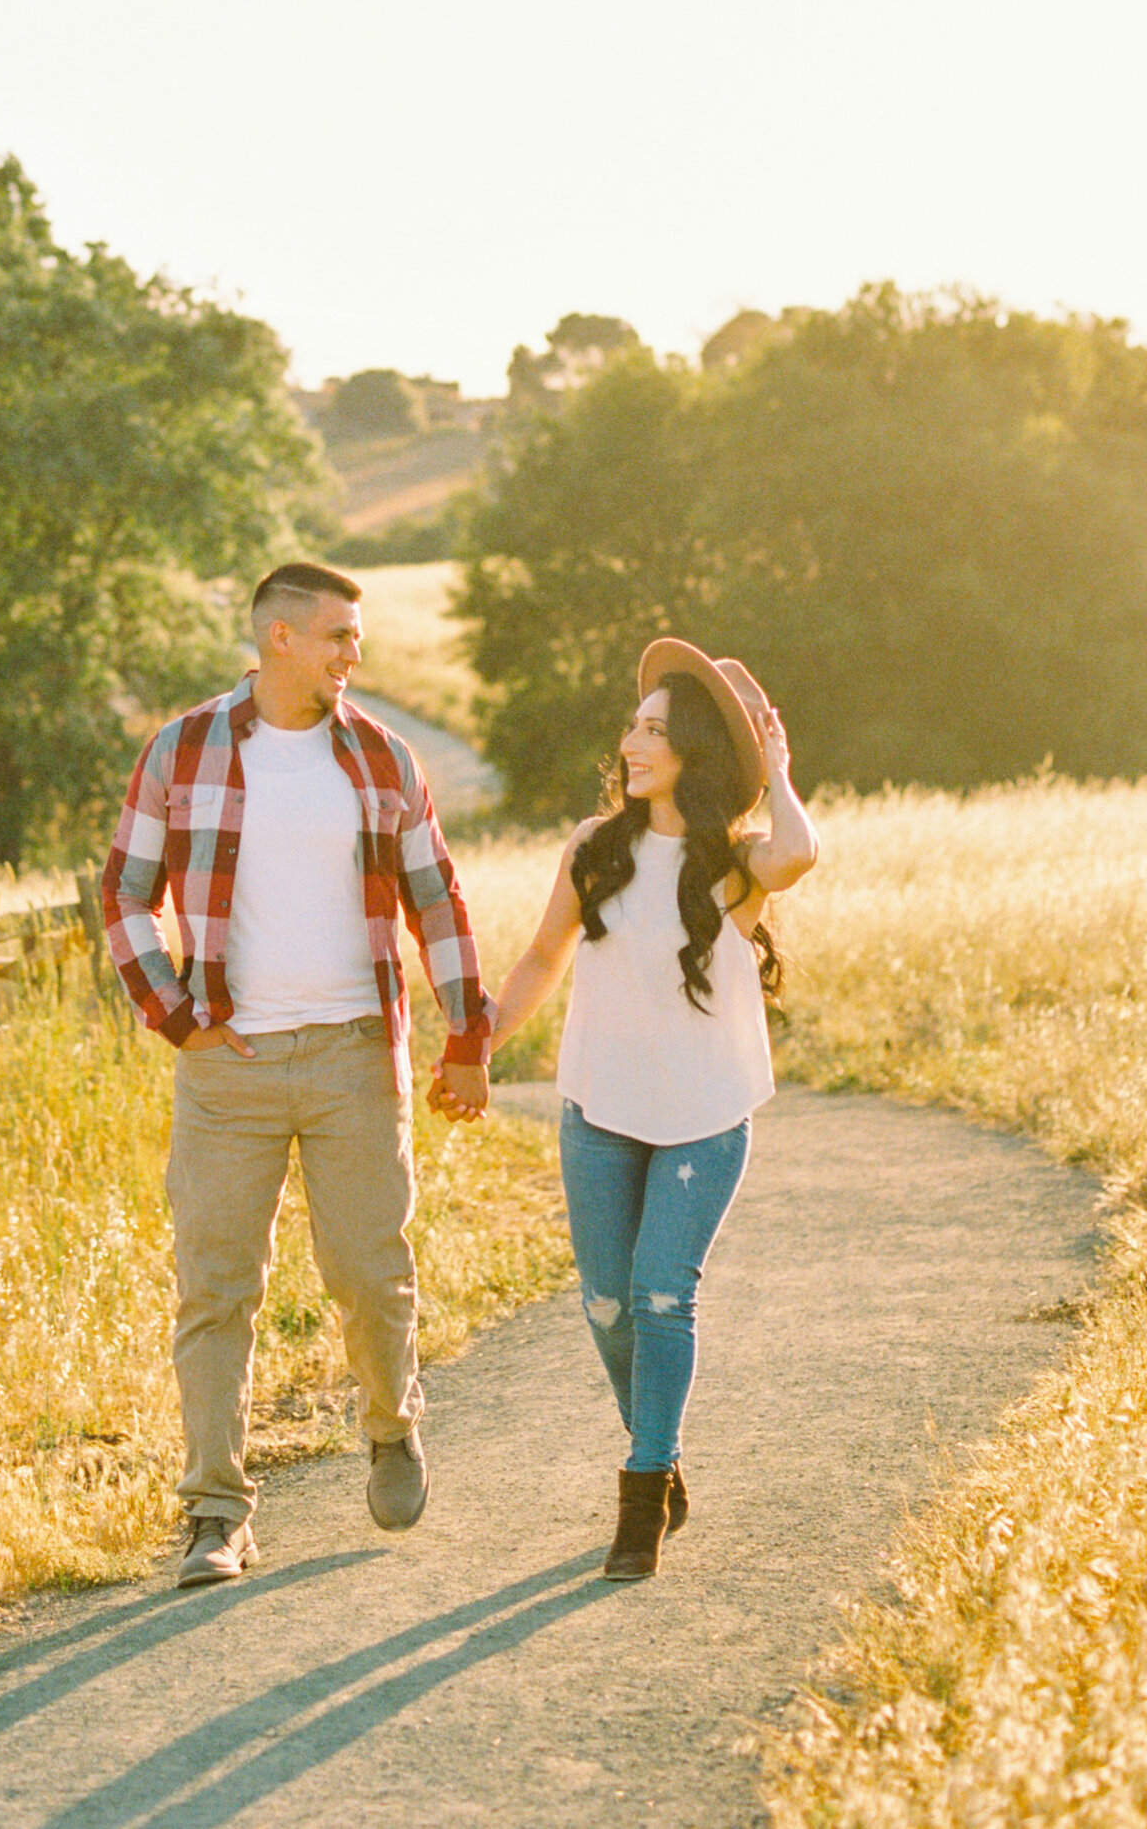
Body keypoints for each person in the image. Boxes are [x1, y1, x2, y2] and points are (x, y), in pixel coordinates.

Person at [101, 560, 493, 1590]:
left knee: (370, 1268)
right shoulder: (182, 751)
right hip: (226, 1064)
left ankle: (391, 1423)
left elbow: (437, 901)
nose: (352, 654)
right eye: (337, 636)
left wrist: (466, 1035)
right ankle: (215, 1515)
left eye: (355, 637)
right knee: (215, 1288)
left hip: (353, 1056)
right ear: (280, 637)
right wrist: (172, 1016)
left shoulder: (379, 758)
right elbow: (125, 892)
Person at [484, 636, 818, 1580]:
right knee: (605, 1305)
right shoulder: (594, 850)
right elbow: (543, 957)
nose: (633, 743)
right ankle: (662, 1451)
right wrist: (480, 1041)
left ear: (696, 753)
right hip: (600, 1110)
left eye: (656, 731)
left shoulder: (737, 861)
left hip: (705, 1116)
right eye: (633, 726)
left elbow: (802, 849)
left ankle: (640, 1493)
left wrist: (779, 766)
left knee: (662, 1294)